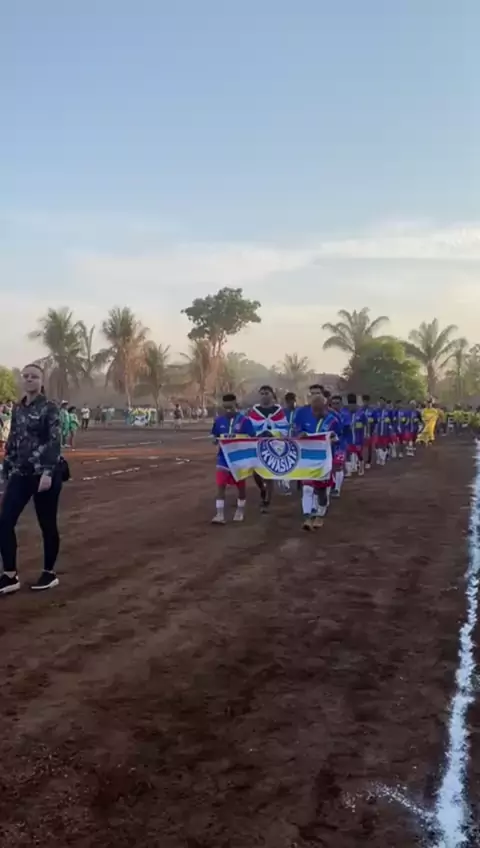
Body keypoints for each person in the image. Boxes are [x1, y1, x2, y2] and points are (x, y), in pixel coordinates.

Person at [0, 363, 64, 595]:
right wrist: (6, 469)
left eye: (34, 376)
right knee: (4, 521)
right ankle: (10, 575)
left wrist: (47, 472)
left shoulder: (50, 408)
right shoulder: (18, 408)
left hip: (44, 475)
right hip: (21, 473)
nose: (29, 379)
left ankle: (49, 573)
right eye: (25, 376)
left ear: (42, 381)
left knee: (47, 524)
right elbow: (13, 440)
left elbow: (54, 441)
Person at [293, 384, 341, 531]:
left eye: (318, 410)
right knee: (307, 488)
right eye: (313, 410)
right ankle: (307, 517)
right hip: (307, 458)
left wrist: (334, 439)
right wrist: (300, 435)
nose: (315, 413)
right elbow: (296, 431)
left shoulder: (333, 420)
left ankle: (320, 514)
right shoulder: (302, 414)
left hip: (324, 460)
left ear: (325, 408)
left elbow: (339, 437)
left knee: (321, 492)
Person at [211, 394, 255, 524]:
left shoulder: (245, 421)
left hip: (240, 459)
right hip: (223, 458)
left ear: (236, 405)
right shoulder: (219, 420)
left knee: (240, 487)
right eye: (226, 408)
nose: (228, 410)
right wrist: (214, 439)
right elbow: (214, 435)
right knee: (220, 485)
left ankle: (240, 511)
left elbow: (252, 438)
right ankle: (219, 514)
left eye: (231, 407)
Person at [248, 385, 289, 513]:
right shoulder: (254, 411)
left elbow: (284, 428)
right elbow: (250, 428)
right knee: (256, 472)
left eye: (267, 393)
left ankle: (267, 500)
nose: (264, 396)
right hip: (257, 444)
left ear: (272, 395)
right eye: (262, 393)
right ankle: (262, 488)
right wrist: (259, 434)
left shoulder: (278, 411)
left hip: (273, 444)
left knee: (269, 471)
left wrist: (272, 433)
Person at [343, 393, 368, 476]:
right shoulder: (345, 413)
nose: (351, 407)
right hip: (348, 438)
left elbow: (366, 424)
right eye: (350, 406)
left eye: (353, 405)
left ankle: (361, 467)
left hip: (358, 438)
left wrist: (366, 433)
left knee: (359, 453)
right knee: (347, 453)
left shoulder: (361, 413)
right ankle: (348, 470)